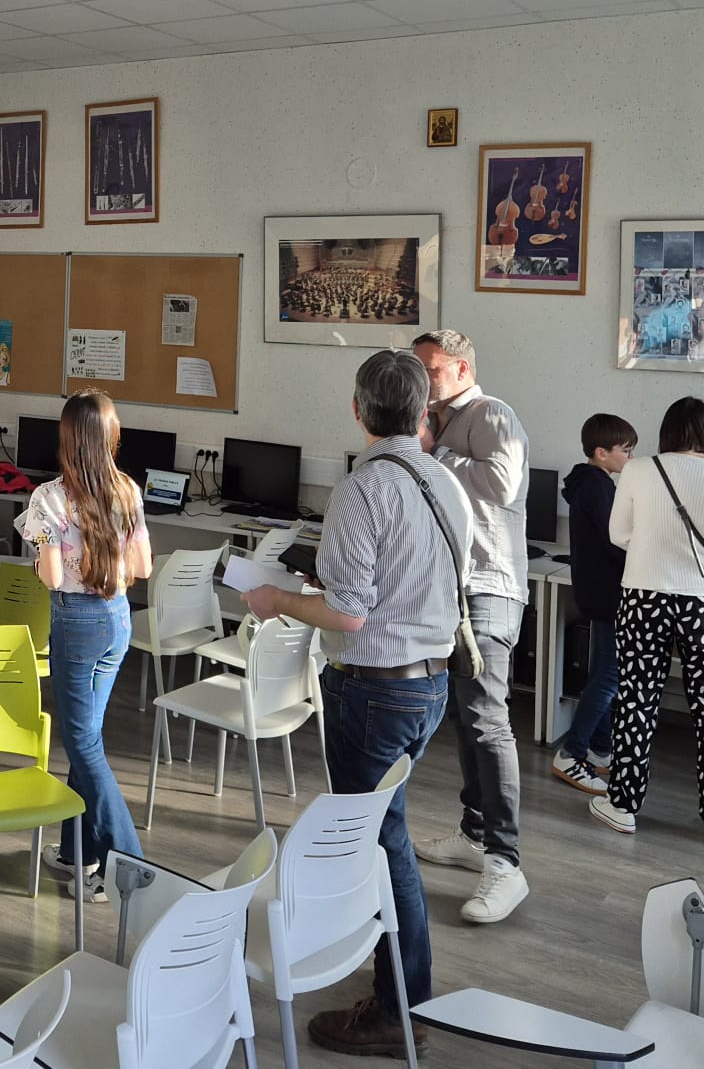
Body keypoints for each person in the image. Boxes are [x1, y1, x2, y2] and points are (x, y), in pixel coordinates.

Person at [239, 349, 465, 1059]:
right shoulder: (446, 482)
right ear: (423, 411)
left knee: (383, 844)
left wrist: (276, 599)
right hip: (430, 682)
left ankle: (401, 1006)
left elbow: (349, 615)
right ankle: (393, 984)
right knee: (385, 833)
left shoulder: (362, 488)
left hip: (374, 689)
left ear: (358, 409)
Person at [588, 397, 704, 848]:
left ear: (667, 431)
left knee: (636, 701)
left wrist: (655, 548)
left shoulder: (638, 470)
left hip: (644, 596)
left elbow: (618, 534)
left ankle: (623, 807)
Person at [408, 328, 531, 925]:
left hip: (489, 588)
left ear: (461, 369)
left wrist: (434, 453)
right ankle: (475, 834)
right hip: (451, 591)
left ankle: (506, 864)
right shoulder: (434, 420)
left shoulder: (491, 414)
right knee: (463, 717)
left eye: (430, 369)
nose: (422, 379)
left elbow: (503, 484)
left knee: (487, 720)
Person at [18, 392, 151, 904]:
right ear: (111, 437)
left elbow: (52, 577)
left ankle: (127, 863)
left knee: (82, 744)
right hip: (118, 618)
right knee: (87, 735)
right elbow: (143, 567)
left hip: (75, 622)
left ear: (67, 438)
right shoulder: (128, 490)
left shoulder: (49, 498)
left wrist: (39, 554)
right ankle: (80, 853)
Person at [552, 413, 638, 796]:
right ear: (602, 453)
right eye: (626, 451)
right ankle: (571, 753)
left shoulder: (591, 483)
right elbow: (615, 541)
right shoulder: (597, 487)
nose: (630, 458)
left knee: (604, 671)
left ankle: (600, 750)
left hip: (596, 591)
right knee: (610, 675)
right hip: (607, 594)